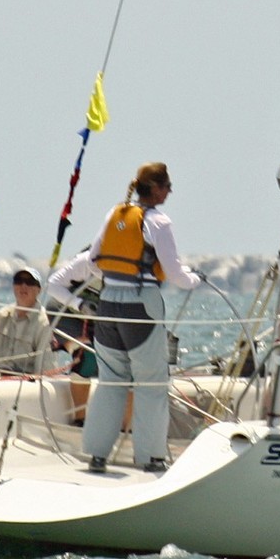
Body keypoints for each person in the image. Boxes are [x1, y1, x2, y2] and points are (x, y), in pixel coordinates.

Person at [83, 162, 201, 474]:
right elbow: (175, 274)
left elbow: (94, 260)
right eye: (167, 186)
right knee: (152, 384)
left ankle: (97, 455)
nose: (170, 191)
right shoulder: (159, 222)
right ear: (156, 188)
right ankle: (150, 457)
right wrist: (195, 280)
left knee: (110, 382)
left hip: (107, 302)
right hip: (142, 304)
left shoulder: (115, 213)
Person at [47, 248, 103, 425]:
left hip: (102, 321)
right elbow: (52, 285)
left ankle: (127, 427)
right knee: (86, 357)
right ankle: (80, 420)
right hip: (67, 315)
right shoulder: (85, 261)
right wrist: (80, 304)